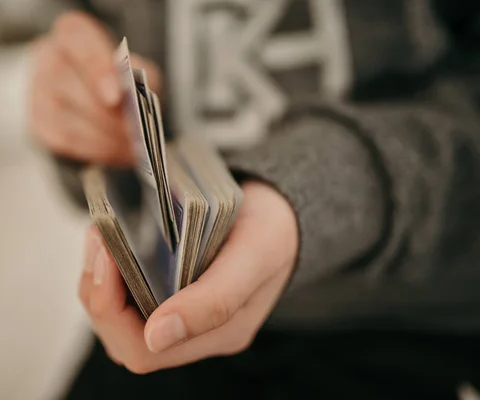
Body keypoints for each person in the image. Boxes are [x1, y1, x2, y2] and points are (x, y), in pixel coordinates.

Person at [28, 1, 480, 398]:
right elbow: (89, 66)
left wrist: (324, 191)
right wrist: (78, 126)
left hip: (407, 309)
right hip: (165, 312)